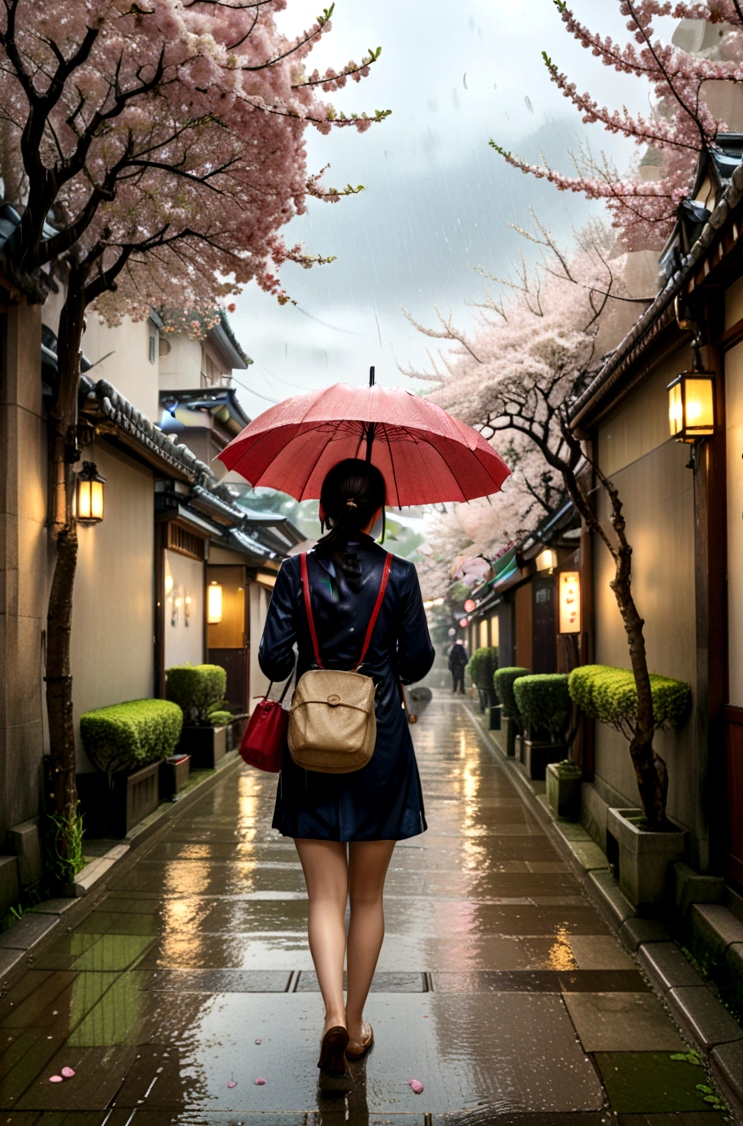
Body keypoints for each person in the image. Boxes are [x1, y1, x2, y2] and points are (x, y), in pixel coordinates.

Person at [259, 458, 434, 1088]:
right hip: (379, 740)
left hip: (311, 743)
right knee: (368, 897)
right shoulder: (401, 574)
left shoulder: (293, 571)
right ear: (379, 511)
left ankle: (330, 1011)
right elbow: (415, 663)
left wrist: (314, 648)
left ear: (324, 510)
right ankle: (356, 1024)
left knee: (324, 897)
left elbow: (273, 658)